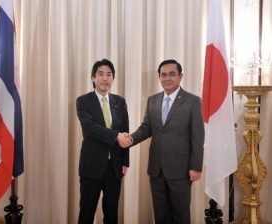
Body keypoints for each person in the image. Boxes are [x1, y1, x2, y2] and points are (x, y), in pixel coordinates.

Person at [120, 59, 205, 224]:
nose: (167, 78)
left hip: (181, 170)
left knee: (180, 215)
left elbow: (198, 136)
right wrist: (131, 138)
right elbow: (146, 128)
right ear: (159, 77)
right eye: (163, 75)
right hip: (156, 168)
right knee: (161, 215)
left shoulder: (192, 101)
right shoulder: (153, 100)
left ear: (180, 76)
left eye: (172, 74)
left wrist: (196, 166)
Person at [76, 59, 130, 224]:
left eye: (109, 75)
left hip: (114, 167)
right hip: (91, 165)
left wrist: (125, 161)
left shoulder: (119, 102)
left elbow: (125, 133)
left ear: (113, 78)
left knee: (112, 212)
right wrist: (116, 136)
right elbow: (91, 128)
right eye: (100, 74)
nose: (105, 78)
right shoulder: (83, 101)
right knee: (87, 211)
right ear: (93, 78)